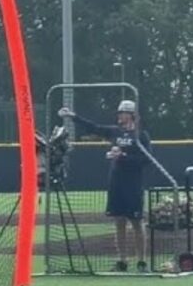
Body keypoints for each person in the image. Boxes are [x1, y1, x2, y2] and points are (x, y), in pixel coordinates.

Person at [58, 101, 151, 272]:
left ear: (131, 115)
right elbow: (93, 127)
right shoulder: (114, 132)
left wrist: (122, 156)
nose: (119, 116)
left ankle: (142, 262)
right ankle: (122, 261)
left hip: (133, 183)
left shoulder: (141, 135)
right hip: (117, 182)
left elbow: (145, 160)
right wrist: (73, 117)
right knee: (119, 221)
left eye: (123, 113)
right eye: (119, 113)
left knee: (137, 222)